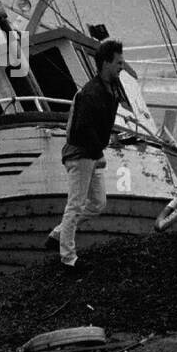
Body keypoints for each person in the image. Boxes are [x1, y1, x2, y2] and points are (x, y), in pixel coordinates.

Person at [46, 38, 127, 270]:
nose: (122, 66)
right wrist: (98, 152)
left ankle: (59, 233)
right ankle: (68, 258)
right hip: (80, 154)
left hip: (91, 153)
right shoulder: (91, 93)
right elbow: (82, 128)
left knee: (98, 204)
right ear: (105, 63)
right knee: (75, 204)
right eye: (119, 63)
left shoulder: (111, 88)